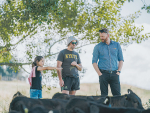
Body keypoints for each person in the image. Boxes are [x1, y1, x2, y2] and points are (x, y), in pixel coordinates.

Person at [92, 28, 124, 96]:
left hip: (114, 74)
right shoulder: (97, 47)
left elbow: (121, 59)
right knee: (104, 96)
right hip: (103, 74)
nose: (101, 38)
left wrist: (118, 71)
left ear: (108, 35)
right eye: (100, 36)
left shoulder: (116, 45)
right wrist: (99, 74)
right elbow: (94, 62)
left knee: (117, 96)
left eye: (103, 36)